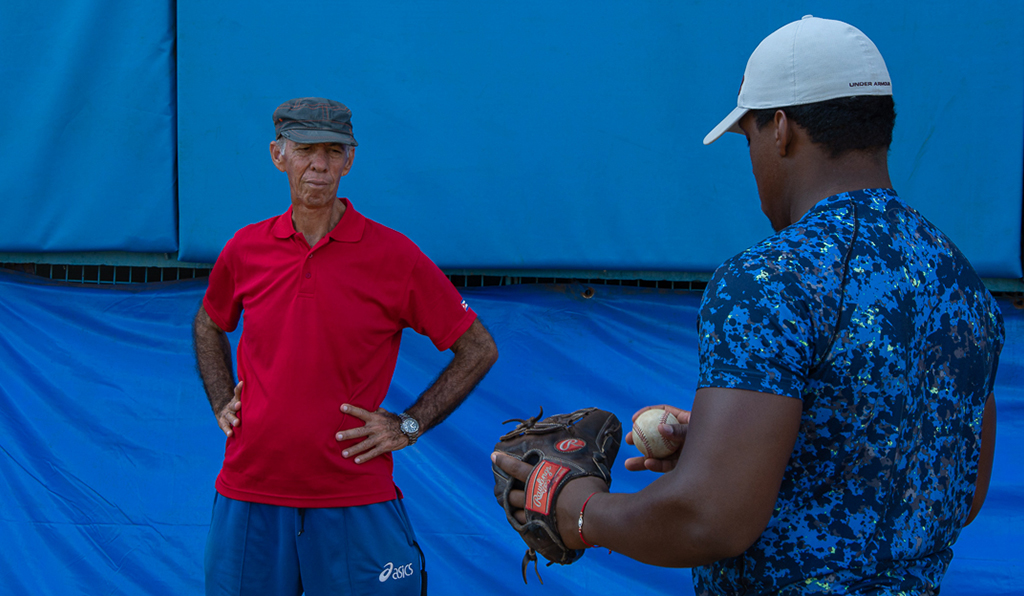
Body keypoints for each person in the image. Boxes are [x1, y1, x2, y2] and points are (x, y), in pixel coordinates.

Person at [492, 16, 1003, 594]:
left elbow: (709, 519)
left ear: (780, 129)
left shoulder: (772, 277)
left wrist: (580, 510)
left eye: (751, 138)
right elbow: (955, 493)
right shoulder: (963, 284)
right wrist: (733, 447)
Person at [193, 97, 498, 596]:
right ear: (278, 155)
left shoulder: (394, 255)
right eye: (306, 150)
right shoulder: (246, 248)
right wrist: (221, 398)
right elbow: (210, 323)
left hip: (354, 497)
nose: (319, 165)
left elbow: (478, 347)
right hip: (249, 493)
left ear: (350, 161)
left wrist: (409, 423)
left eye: (334, 151)